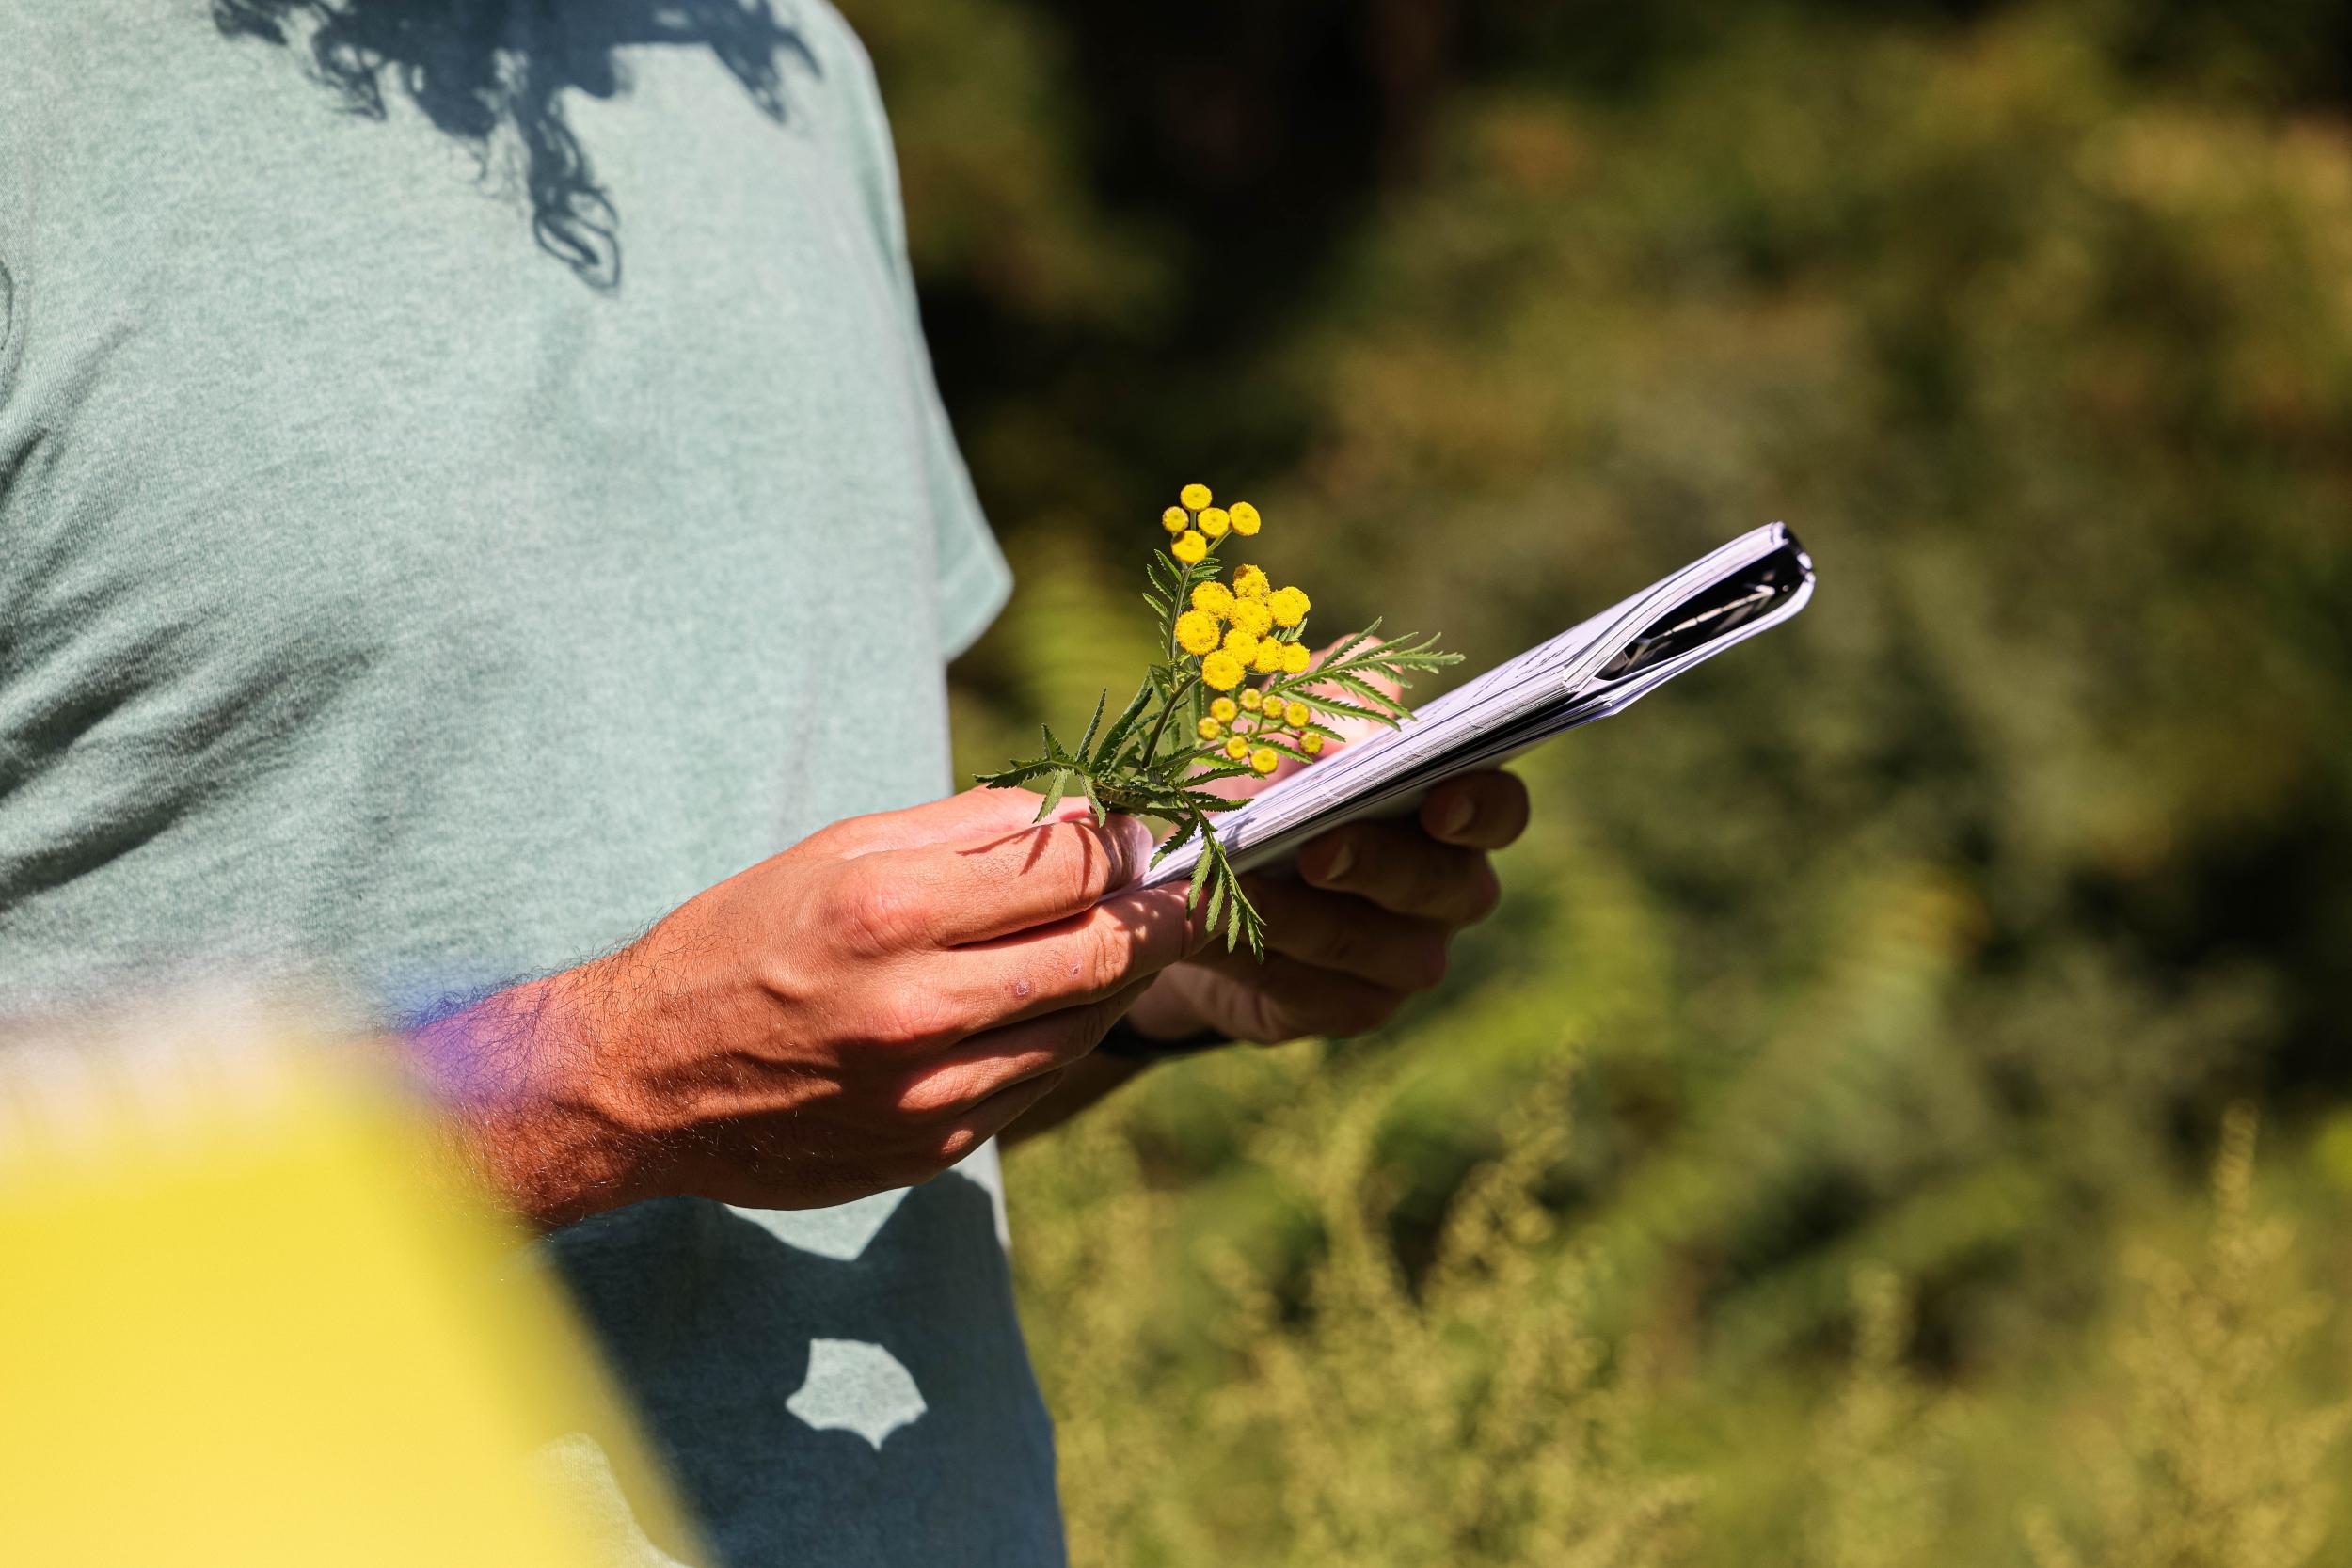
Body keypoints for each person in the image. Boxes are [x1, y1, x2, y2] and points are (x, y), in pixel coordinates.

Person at [0, 2, 1528, 1562]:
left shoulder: (785, 66)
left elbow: (793, 1058)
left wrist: (1130, 981)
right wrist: (593, 1087)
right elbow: (681, 1068)